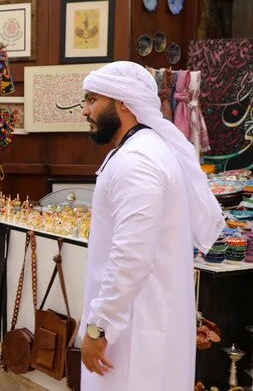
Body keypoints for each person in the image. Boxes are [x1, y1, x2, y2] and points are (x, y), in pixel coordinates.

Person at [78, 61, 223, 390]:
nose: (85, 110)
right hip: (139, 323)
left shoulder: (138, 161)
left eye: (92, 100)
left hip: (136, 334)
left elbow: (131, 256)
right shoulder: (140, 151)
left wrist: (99, 327)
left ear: (122, 102)